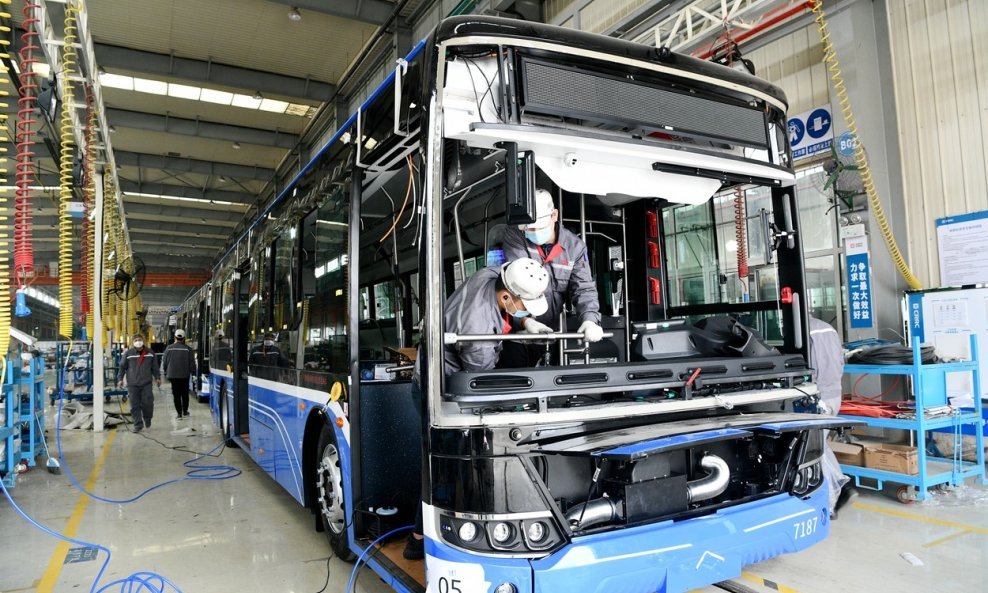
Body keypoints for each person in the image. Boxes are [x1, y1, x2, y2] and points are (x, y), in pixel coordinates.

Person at [403, 257, 550, 560]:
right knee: (446, 464)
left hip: (445, 380)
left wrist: (525, 321)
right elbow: (480, 381)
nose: (524, 310)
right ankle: (419, 539)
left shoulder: (491, 274)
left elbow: (508, 284)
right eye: (523, 305)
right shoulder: (477, 324)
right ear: (506, 296)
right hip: (438, 391)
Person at [501, 188, 603, 363]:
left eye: (537, 228)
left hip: (551, 333)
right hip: (517, 334)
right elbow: (515, 285)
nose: (532, 232)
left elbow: (583, 288)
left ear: (554, 215)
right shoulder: (515, 235)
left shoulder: (574, 248)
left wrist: (590, 320)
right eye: (528, 229)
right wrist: (525, 322)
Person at [809, 316, 856, 516]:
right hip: (834, 394)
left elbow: (807, 367)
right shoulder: (828, 328)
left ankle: (834, 498)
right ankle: (839, 488)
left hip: (816, 396)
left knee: (815, 449)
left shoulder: (802, 331)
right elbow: (840, 361)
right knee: (820, 444)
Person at [117, 334, 161, 433]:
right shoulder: (128, 353)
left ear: (143, 340)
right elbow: (122, 367)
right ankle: (138, 424)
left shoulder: (150, 353)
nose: (138, 341)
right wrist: (120, 379)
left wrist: (157, 377)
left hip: (146, 383)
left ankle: (147, 418)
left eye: (140, 339)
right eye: (136, 340)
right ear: (133, 342)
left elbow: (155, 367)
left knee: (148, 403)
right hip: (132, 384)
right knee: (134, 405)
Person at [162, 329, 197, 419]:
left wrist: (165, 371)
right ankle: (185, 411)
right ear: (184, 338)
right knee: (185, 394)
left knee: (176, 394)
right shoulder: (188, 349)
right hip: (185, 375)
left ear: (175, 337)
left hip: (173, 375)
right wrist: (193, 373)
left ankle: (179, 414)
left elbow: (164, 361)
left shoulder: (169, 348)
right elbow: (192, 363)